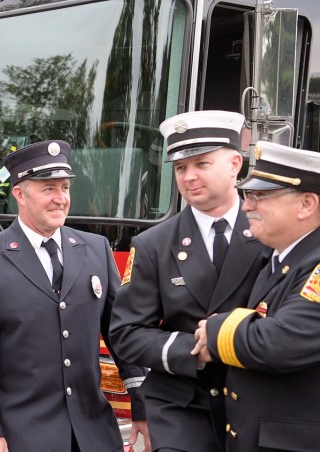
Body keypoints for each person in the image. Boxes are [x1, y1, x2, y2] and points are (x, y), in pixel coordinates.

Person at [0, 140, 149, 451]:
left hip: (94, 434)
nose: (61, 199)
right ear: (19, 193)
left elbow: (122, 334)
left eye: (65, 188)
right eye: (48, 189)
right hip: (24, 436)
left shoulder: (96, 249)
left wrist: (143, 405)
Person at [109, 111, 270, 452]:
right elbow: (127, 332)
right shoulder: (153, 244)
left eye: (202, 164)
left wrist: (230, 340)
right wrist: (194, 351)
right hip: (181, 405)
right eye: (181, 168)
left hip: (259, 398)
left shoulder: (272, 232)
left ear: (235, 164)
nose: (189, 177)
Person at [191, 141, 320, 451]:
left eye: (260, 197)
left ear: (307, 204)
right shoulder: (278, 260)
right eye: (248, 196)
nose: (246, 206)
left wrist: (215, 330)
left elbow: (280, 341)